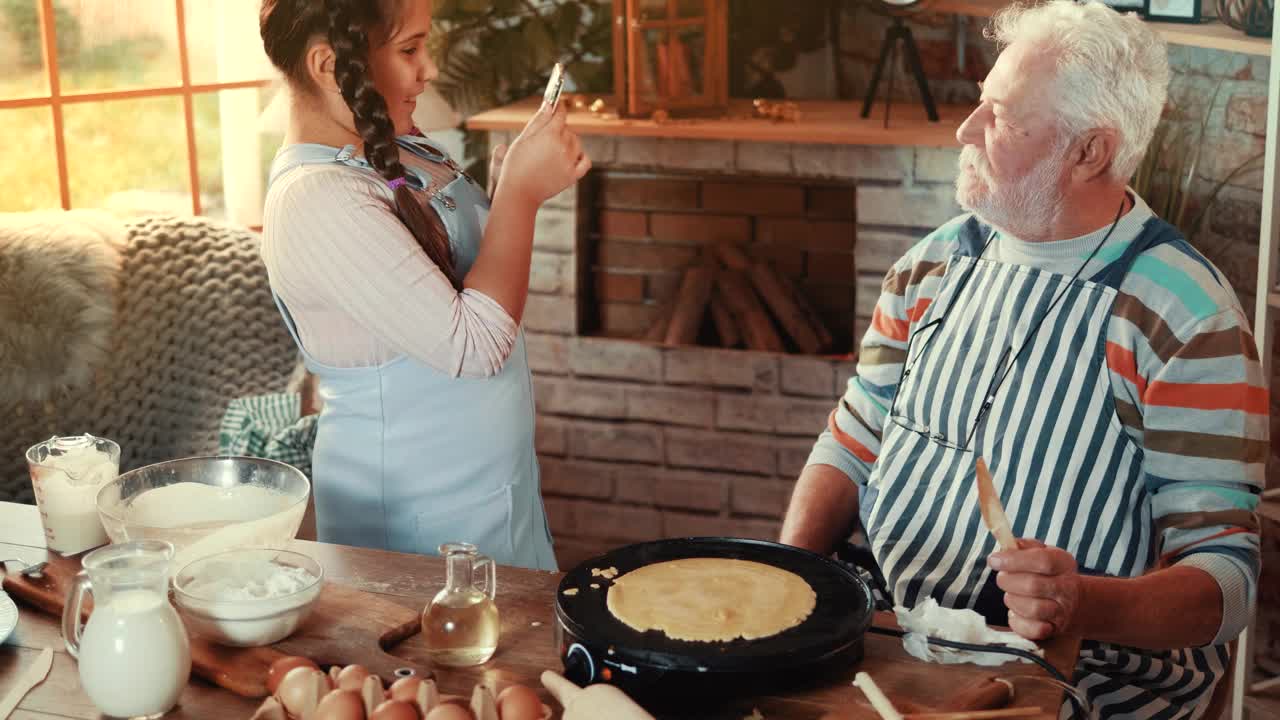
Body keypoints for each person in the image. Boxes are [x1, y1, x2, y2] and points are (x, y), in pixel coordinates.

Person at [780, 2, 1264, 716]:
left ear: (1089, 152)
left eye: (1000, 116)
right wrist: (787, 580)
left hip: (1079, 681)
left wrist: (1081, 603)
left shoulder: (1183, 314)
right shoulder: (933, 266)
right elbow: (851, 444)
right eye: (981, 102)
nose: (966, 129)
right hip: (897, 643)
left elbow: (1227, 582)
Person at [258, 0, 590, 570]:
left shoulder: (396, 150)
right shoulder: (316, 200)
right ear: (327, 64)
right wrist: (521, 194)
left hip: (485, 496)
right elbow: (474, 345)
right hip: (418, 522)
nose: (429, 69)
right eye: (410, 49)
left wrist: (517, 179)